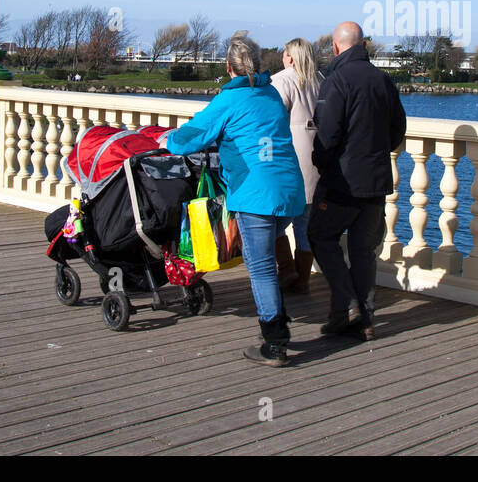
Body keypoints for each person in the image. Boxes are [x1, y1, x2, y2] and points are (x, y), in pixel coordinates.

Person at [165, 33, 305, 367]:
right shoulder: (271, 93)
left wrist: (167, 138)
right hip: (289, 191)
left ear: (229, 67)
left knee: (260, 268)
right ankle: (277, 322)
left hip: (257, 193)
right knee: (266, 261)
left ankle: (274, 343)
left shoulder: (228, 101)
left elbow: (190, 138)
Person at [309, 21, 407, 340]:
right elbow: (398, 129)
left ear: (336, 46)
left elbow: (327, 134)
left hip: (341, 182)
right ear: (362, 45)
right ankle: (360, 319)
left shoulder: (336, 80)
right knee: (364, 251)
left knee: (321, 237)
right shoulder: (382, 80)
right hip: (376, 180)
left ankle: (349, 304)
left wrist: (321, 164)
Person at [270, 38, 320, 295]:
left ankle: (286, 269)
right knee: (304, 224)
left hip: (290, 161)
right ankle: (302, 281)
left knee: (275, 222)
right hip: (315, 161)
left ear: (290, 56)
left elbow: (273, 121)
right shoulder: (320, 81)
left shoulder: (282, 81)